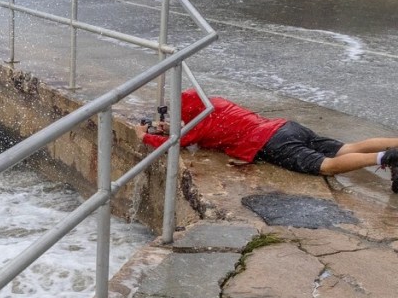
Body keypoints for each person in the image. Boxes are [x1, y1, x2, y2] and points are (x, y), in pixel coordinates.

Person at [135, 89, 398, 192]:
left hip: (272, 143)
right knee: (347, 148)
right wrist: (174, 126)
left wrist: (144, 135)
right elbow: (201, 127)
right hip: (287, 126)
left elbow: (175, 143)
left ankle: (385, 158)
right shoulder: (216, 104)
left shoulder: (198, 128)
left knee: (326, 166)